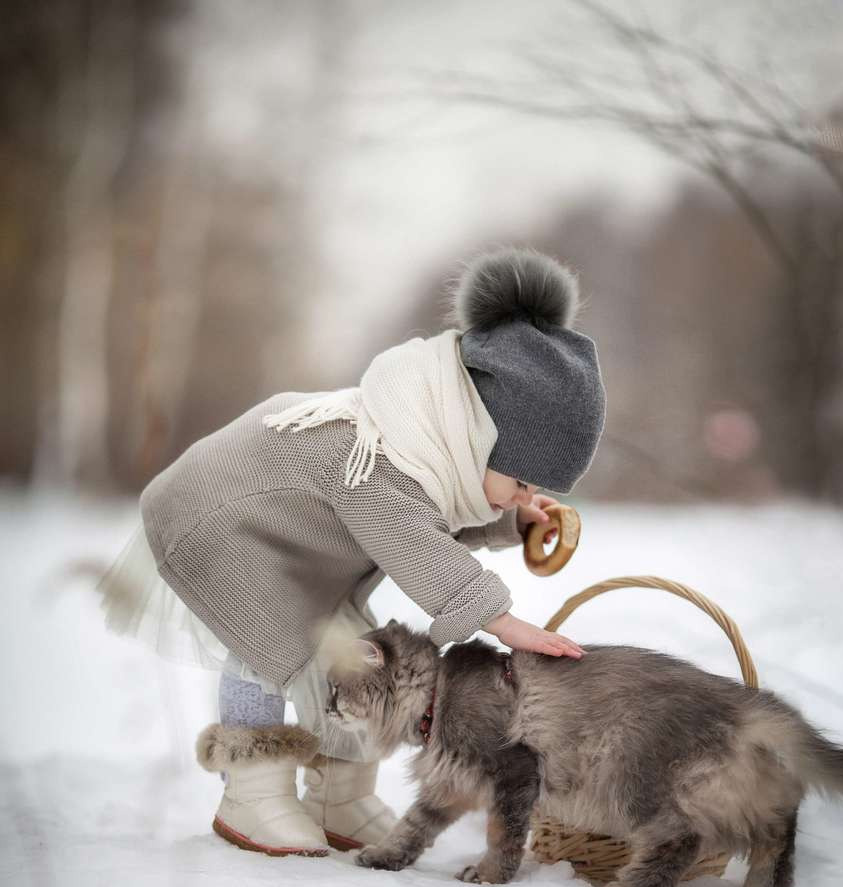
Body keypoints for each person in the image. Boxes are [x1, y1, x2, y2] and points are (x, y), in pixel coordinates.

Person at [100, 247, 607, 856]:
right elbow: (410, 539)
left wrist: (511, 523)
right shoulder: (374, 454)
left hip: (294, 539)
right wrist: (501, 620)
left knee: (359, 654)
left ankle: (339, 792)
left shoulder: (424, 445)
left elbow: (423, 519)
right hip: (219, 521)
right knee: (272, 645)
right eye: (522, 481)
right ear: (478, 437)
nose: (526, 494)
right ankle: (251, 790)